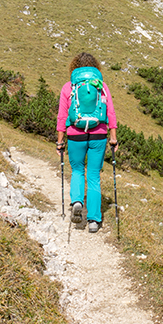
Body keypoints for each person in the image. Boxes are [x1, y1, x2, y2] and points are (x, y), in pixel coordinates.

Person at [56, 52, 118, 233]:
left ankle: (77, 202)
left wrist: (60, 142)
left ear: (74, 67)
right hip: (99, 134)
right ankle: (93, 220)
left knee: (77, 169)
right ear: (95, 67)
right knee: (93, 175)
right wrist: (113, 137)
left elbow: (62, 116)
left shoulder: (69, 87)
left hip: (75, 134)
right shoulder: (101, 86)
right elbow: (111, 113)